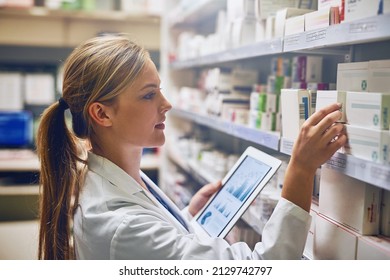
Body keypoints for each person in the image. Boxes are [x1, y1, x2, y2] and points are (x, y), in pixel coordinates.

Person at [36, 34, 347, 260]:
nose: (166, 104)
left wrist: (186, 217)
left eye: (160, 90)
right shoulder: (121, 223)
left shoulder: (118, 179)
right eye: (148, 95)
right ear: (102, 113)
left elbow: (154, 240)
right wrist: (301, 170)